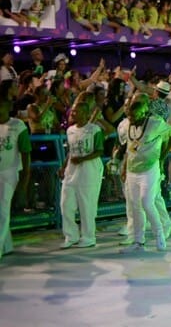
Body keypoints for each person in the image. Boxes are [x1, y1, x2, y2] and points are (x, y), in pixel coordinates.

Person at [119, 91, 171, 252]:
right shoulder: (129, 125)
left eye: (135, 116)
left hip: (149, 169)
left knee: (147, 202)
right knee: (135, 206)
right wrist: (124, 167)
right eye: (130, 116)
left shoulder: (155, 123)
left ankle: (159, 235)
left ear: (144, 112)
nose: (132, 119)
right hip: (133, 170)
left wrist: (162, 157)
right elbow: (129, 148)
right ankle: (138, 242)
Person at [58, 96, 105, 248]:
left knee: (87, 206)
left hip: (89, 171)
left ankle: (88, 237)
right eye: (72, 111)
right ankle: (70, 236)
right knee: (66, 204)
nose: (72, 113)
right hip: (71, 172)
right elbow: (71, 152)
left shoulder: (94, 129)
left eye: (76, 111)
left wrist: (83, 158)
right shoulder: (70, 130)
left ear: (85, 113)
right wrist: (64, 166)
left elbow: (99, 151)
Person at [0, 97, 31, 257]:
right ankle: (6, 245)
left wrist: (25, 178)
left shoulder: (17, 126)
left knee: (3, 209)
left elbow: (26, 153)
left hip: (9, 172)